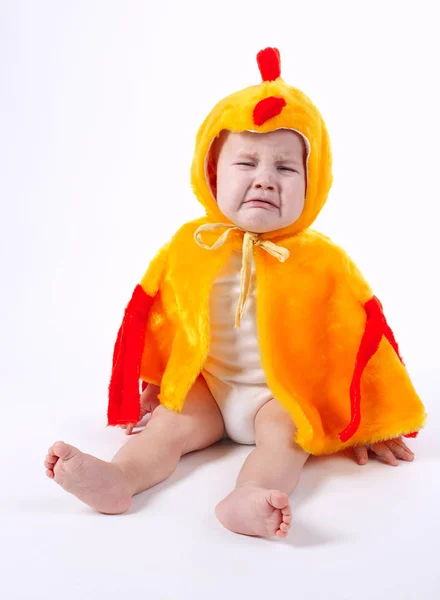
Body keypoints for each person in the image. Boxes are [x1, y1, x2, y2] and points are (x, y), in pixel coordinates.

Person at [44, 48, 426, 539]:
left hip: (281, 394)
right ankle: (120, 479)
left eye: (286, 168)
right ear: (212, 173)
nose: (265, 178)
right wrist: (159, 380)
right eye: (246, 162)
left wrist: (375, 419)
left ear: (314, 184)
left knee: (286, 437)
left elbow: (364, 339)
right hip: (211, 386)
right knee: (168, 424)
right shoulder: (189, 246)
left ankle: (248, 498)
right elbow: (161, 317)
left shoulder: (324, 261)